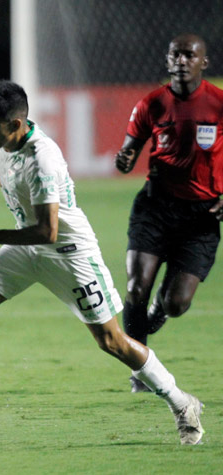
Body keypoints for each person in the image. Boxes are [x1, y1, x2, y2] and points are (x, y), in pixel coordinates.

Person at [0, 80, 204, 445]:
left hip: (68, 252)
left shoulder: (42, 157)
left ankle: (182, 403)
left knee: (111, 341)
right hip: (26, 247)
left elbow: (48, 230)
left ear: (15, 124)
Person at [114, 33, 223, 393]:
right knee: (134, 287)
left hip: (201, 217)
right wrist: (126, 158)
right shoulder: (152, 104)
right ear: (167, 59)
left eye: (189, 55)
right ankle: (141, 371)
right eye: (175, 53)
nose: (181, 60)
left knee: (176, 303)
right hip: (156, 207)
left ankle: (159, 312)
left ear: (203, 62)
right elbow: (130, 149)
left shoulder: (218, 103)